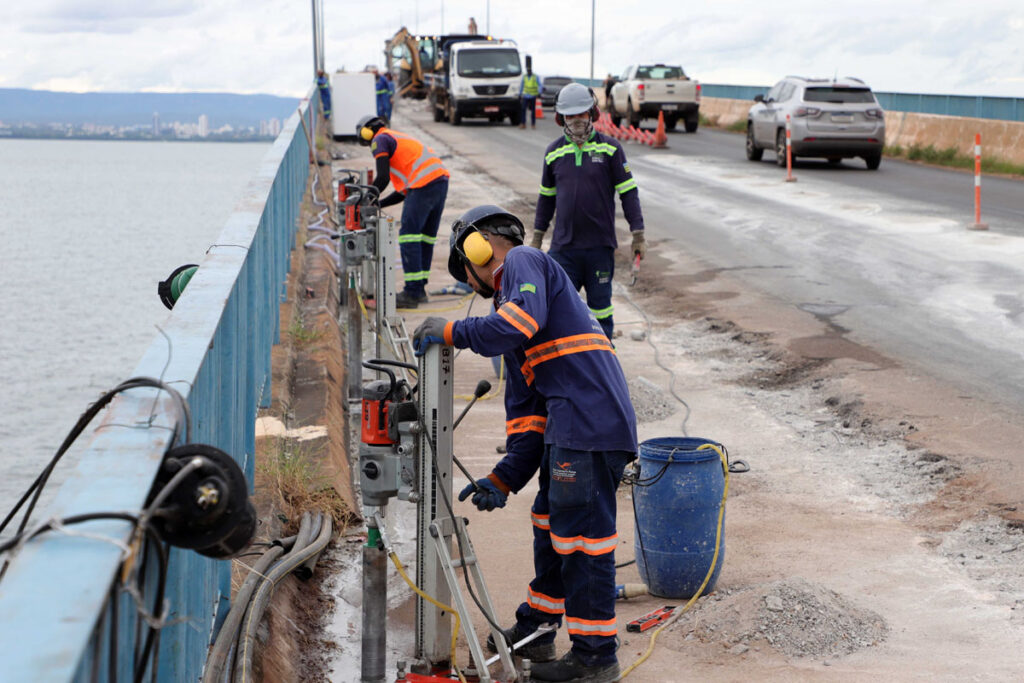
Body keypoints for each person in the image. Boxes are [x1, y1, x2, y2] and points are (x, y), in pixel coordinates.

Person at [412, 205, 638, 683]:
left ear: (477, 249)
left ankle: (595, 658)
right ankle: (537, 628)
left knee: (582, 541)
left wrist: (452, 330)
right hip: (571, 425)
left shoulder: (522, 263)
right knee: (551, 522)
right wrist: (504, 478)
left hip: (589, 423)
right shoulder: (512, 318)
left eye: (467, 271)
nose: (476, 285)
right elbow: (527, 418)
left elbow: (516, 324)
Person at [531, 83, 646, 340]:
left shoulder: (611, 149)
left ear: (592, 113)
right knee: (558, 310)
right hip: (564, 250)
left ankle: (604, 365)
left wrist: (638, 233)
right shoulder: (553, 153)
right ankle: (564, 363)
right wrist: (537, 239)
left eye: (581, 114)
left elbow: (629, 194)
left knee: (601, 312)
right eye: (570, 116)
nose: (577, 121)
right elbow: (546, 200)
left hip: (599, 249)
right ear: (561, 118)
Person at [356, 115, 450, 308]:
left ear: (367, 132)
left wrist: (366, 199)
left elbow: (382, 178)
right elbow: (402, 192)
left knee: (408, 236)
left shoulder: (379, 139)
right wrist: (379, 203)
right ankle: (419, 288)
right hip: (438, 182)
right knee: (425, 238)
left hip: (424, 184)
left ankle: (412, 292)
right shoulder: (396, 138)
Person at [520, 63, 541, 129]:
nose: (529, 71)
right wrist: (520, 94)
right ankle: (523, 124)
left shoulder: (535, 77)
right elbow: (522, 86)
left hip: (533, 96)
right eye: (528, 70)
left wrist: (539, 92)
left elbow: (540, 85)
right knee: (523, 110)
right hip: (525, 96)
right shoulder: (525, 77)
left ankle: (533, 124)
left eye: (530, 70)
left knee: (533, 111)